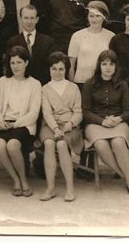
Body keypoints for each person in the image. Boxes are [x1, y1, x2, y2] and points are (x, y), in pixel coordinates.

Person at [82, 50, 129, 197]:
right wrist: (102, 121)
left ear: (116, 66)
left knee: (119, 142)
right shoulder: (90, 84)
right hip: (95, 123)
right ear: (99, 65)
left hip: (117, 121)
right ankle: (126, 177)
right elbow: (86, 111)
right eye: (104, 64)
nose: (108, 67)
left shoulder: (122, 84)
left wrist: (118, 119)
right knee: (101, 144)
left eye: (111, 64)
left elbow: (128, 111)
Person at [0, 46, 41, 197]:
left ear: (26, 63)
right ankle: (15, 180)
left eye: (19, 62)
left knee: (13, 145)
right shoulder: (3, 81)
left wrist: (16, 124)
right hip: (4, 122)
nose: (16, 66)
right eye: (12, 63)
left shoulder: (35, 84)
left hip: (24, 124)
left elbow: (33, 113)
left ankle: (24, 180)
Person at [39, 52, 83, 202]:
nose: (57, 72)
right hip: (50, 125)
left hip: (70, 125)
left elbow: (78, 111)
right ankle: (50, 188)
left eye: (61, 69)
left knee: (62, 144)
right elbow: (47, 113)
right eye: (54, 69)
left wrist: (70, 124)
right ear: (49, 70)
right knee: (49, 143)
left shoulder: (74, 88)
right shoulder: (45, 89)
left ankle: (70, 188)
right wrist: (55, 129)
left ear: (66, 70)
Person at [68, 1, 114, 88]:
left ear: (104, 17)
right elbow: (71, 64)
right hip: (81, 82)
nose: (94, 19)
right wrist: (72, 86)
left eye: (98, 16)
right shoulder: (77, 35)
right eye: (91, 16)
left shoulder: (111, 36)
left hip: (103, 83)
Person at [6, 5, 56, 85]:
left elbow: (52, 67)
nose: (29, 22)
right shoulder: (12, 42)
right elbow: (9, 69)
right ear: (20, 19)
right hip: (20, 86)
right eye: (26, 18)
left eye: (32, 18)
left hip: (42, 85)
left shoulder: (48, 42)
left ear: (37, 19)